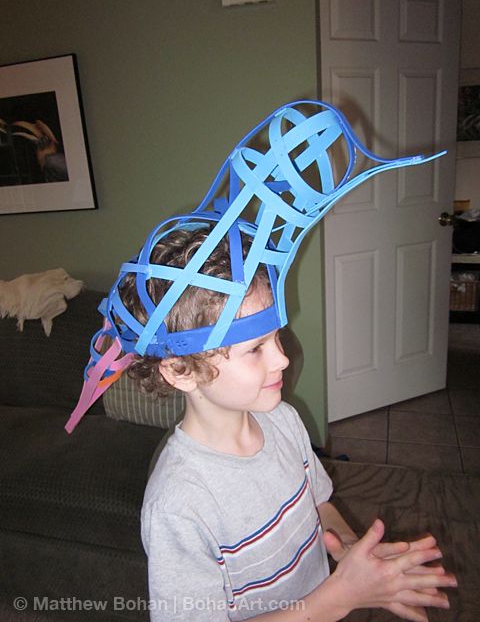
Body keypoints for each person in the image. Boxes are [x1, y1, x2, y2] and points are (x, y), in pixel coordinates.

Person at [117, 225, 457, 622]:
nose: (282, 359)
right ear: (180, 369)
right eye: (255, 349)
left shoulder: (282, 420)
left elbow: (317, 501)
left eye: (276, 337)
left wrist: (347, 550)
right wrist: (336, 599)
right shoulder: (179, 504)